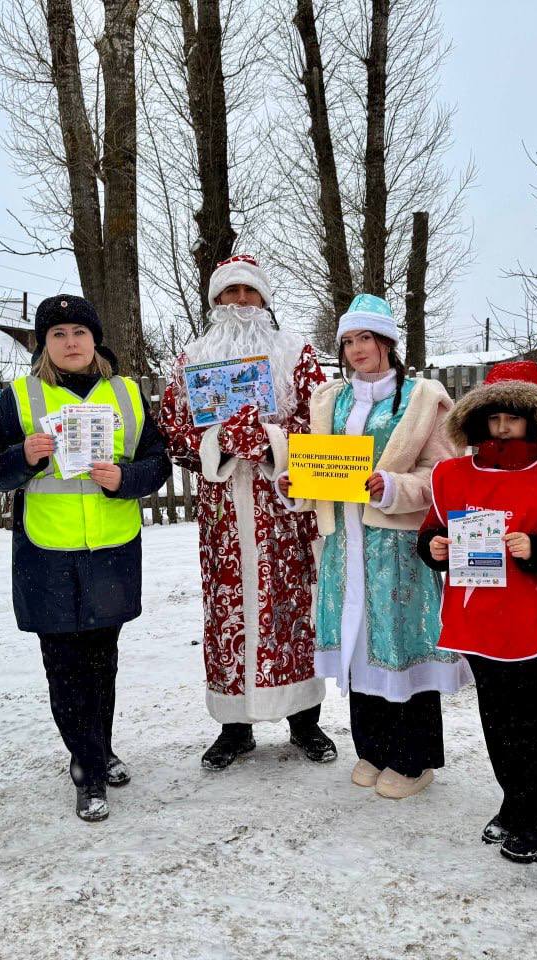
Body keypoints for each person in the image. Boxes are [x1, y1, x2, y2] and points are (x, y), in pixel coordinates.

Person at [0, 295, 171, 823]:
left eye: (79, 332)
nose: (70, 342)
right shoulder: (21, 395)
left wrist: (125, 478)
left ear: (94, 339)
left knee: (102, 662)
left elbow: (158, 463)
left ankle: (99, 749)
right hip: (47, 551)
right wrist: (23, 457)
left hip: (111, 548)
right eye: (57, 334)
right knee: (64, 666)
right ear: (44, 344)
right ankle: (87, 769)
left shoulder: (126, 392)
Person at [417, 361, 537, 862]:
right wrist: (434, 547)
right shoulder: (452, 474)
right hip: (476, 619)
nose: (503, 428)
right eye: (494, 417)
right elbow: (433, 528)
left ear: (536, 419)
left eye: (514, 418)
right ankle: (512, 801)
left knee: (534, 727)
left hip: (532, 620)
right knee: (496, 721)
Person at [277, 294, 469, 799]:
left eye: (365, 338)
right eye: (347, 341)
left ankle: (414, 759)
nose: (356, 349)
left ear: (387, 341)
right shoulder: (330, 399)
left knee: (399, 644)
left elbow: (445, 473)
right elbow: (322, 469)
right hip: (344, 547)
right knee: (359, 643)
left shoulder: (422, 399)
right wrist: (296, 484)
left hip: (398, 550)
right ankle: (374, 748)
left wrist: (394, 487)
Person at [158, 254, 337, 769]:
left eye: (249, 292)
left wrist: (270, 439)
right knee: (228, 610)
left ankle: (305, 720)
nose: (240, 302)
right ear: (215, 300)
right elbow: (174, 429)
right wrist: (220, 440)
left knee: (293, 609)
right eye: (230, 292)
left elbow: (322, 420)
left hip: (283, 505)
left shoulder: (296, 352)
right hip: (223, 512)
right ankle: (233, 728)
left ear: (264, 299)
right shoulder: (193, 357)